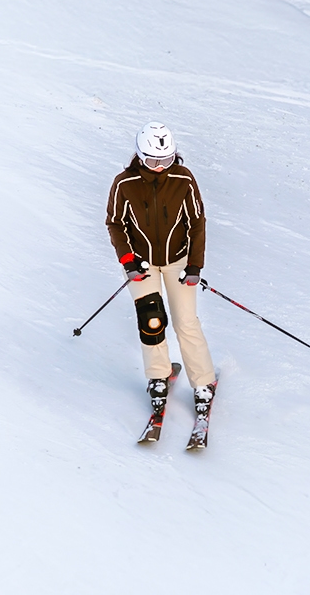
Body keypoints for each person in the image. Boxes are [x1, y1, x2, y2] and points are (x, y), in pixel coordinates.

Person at [105, 122, 217, 418]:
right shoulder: (124, 183)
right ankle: (158, 376)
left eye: (165, 160)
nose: (158, 167)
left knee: (185, 321)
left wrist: (195, 265)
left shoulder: (184, 179)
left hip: (179, 261)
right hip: (141, 263)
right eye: (152, 161)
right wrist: (128, 261)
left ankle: (203, 381)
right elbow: (116, 224)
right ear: (139, 156)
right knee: (151, 320)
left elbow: (197, 222)